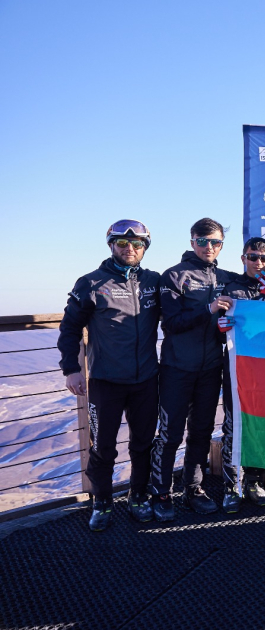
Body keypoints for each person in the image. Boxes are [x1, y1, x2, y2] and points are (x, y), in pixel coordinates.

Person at [57, 220, 161, 531]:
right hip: (105, 381)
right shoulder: (90, 283)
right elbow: (69, 329)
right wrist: (71, 369)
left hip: (146, 380)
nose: (130, 248)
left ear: (145, 248)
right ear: (111, 246)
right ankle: (101, 501)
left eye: (138, 244)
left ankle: (138, 496)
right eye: (122, 243)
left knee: (144, 443)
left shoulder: (155, 281)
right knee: (103, 446)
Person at [149, 218, 232, 521]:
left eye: (216, 242)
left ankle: (193, 489)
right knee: (169, 434)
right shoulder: (174, 275)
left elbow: (252, 297)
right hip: (176, 368)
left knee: (201, 432)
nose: (210, 247)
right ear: (192, 241)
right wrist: (209, 309)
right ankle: (160, 492)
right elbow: (171, 324)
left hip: (211, 368)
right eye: (204, 241)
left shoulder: (225, 277)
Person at [215, 237, 265, 513]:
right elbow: (211, 325)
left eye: (264, 258)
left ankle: (253, 481)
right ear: (243, 258)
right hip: (237, 367)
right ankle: (231, 487)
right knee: (232, 426)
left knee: (259, 425)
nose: (258, 263)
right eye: (253, 257)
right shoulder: (231, 288)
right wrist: (218, 324)